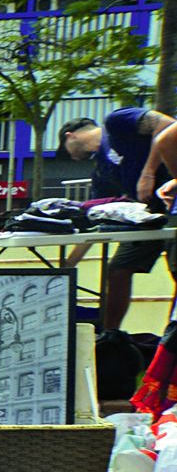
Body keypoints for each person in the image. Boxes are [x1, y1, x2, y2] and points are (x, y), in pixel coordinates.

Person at [58, 109, 176, 331]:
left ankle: (171, 344)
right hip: (146, 216)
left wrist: (149, 172)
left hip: (173, 201)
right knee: (118, 269)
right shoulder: (102, 170)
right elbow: (94, 223)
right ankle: (111, 337)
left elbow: (169, 126)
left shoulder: (116, 122)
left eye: (68, 153)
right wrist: (69, 264)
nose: (73, 159)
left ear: (70, 136)